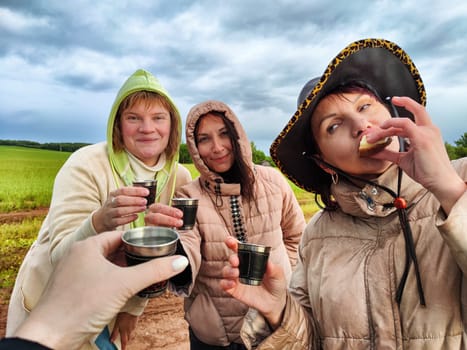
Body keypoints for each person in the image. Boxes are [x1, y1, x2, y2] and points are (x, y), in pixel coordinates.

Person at [220, 38, 467, 349]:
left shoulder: (461, 179)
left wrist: (448, 189)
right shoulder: (318, 235)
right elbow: (310, 341)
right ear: (324, 162)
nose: (360, 124)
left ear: (391, 111)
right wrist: (278, 312)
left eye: (365, 106)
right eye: (334, 126)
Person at [6, 69, 192, 349]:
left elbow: (152, 253)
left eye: (158, 117)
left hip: (110, 303)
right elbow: (60, 255)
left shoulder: (178, 177)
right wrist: (99, 221)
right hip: (53, 304)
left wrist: (133, 308)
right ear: (118, 125)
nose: (147, 128)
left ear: (172, 125)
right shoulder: (86, 164)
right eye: (133, 118)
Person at [168, 100, 306, 349]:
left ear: (238, 135)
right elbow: (185, 245)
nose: (217, 147)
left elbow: (297, 236)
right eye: (204, 139)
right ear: (195, 147)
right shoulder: (187, 196)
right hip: (215, 337)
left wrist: (286, 275)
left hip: (275, 327)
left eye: (224, 134)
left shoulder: (273, 181)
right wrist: (168, 249)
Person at [0, 230, 189, 350]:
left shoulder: (175, 175)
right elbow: (62, 251)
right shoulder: (82, 169)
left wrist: (135, 305)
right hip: (44, 294)